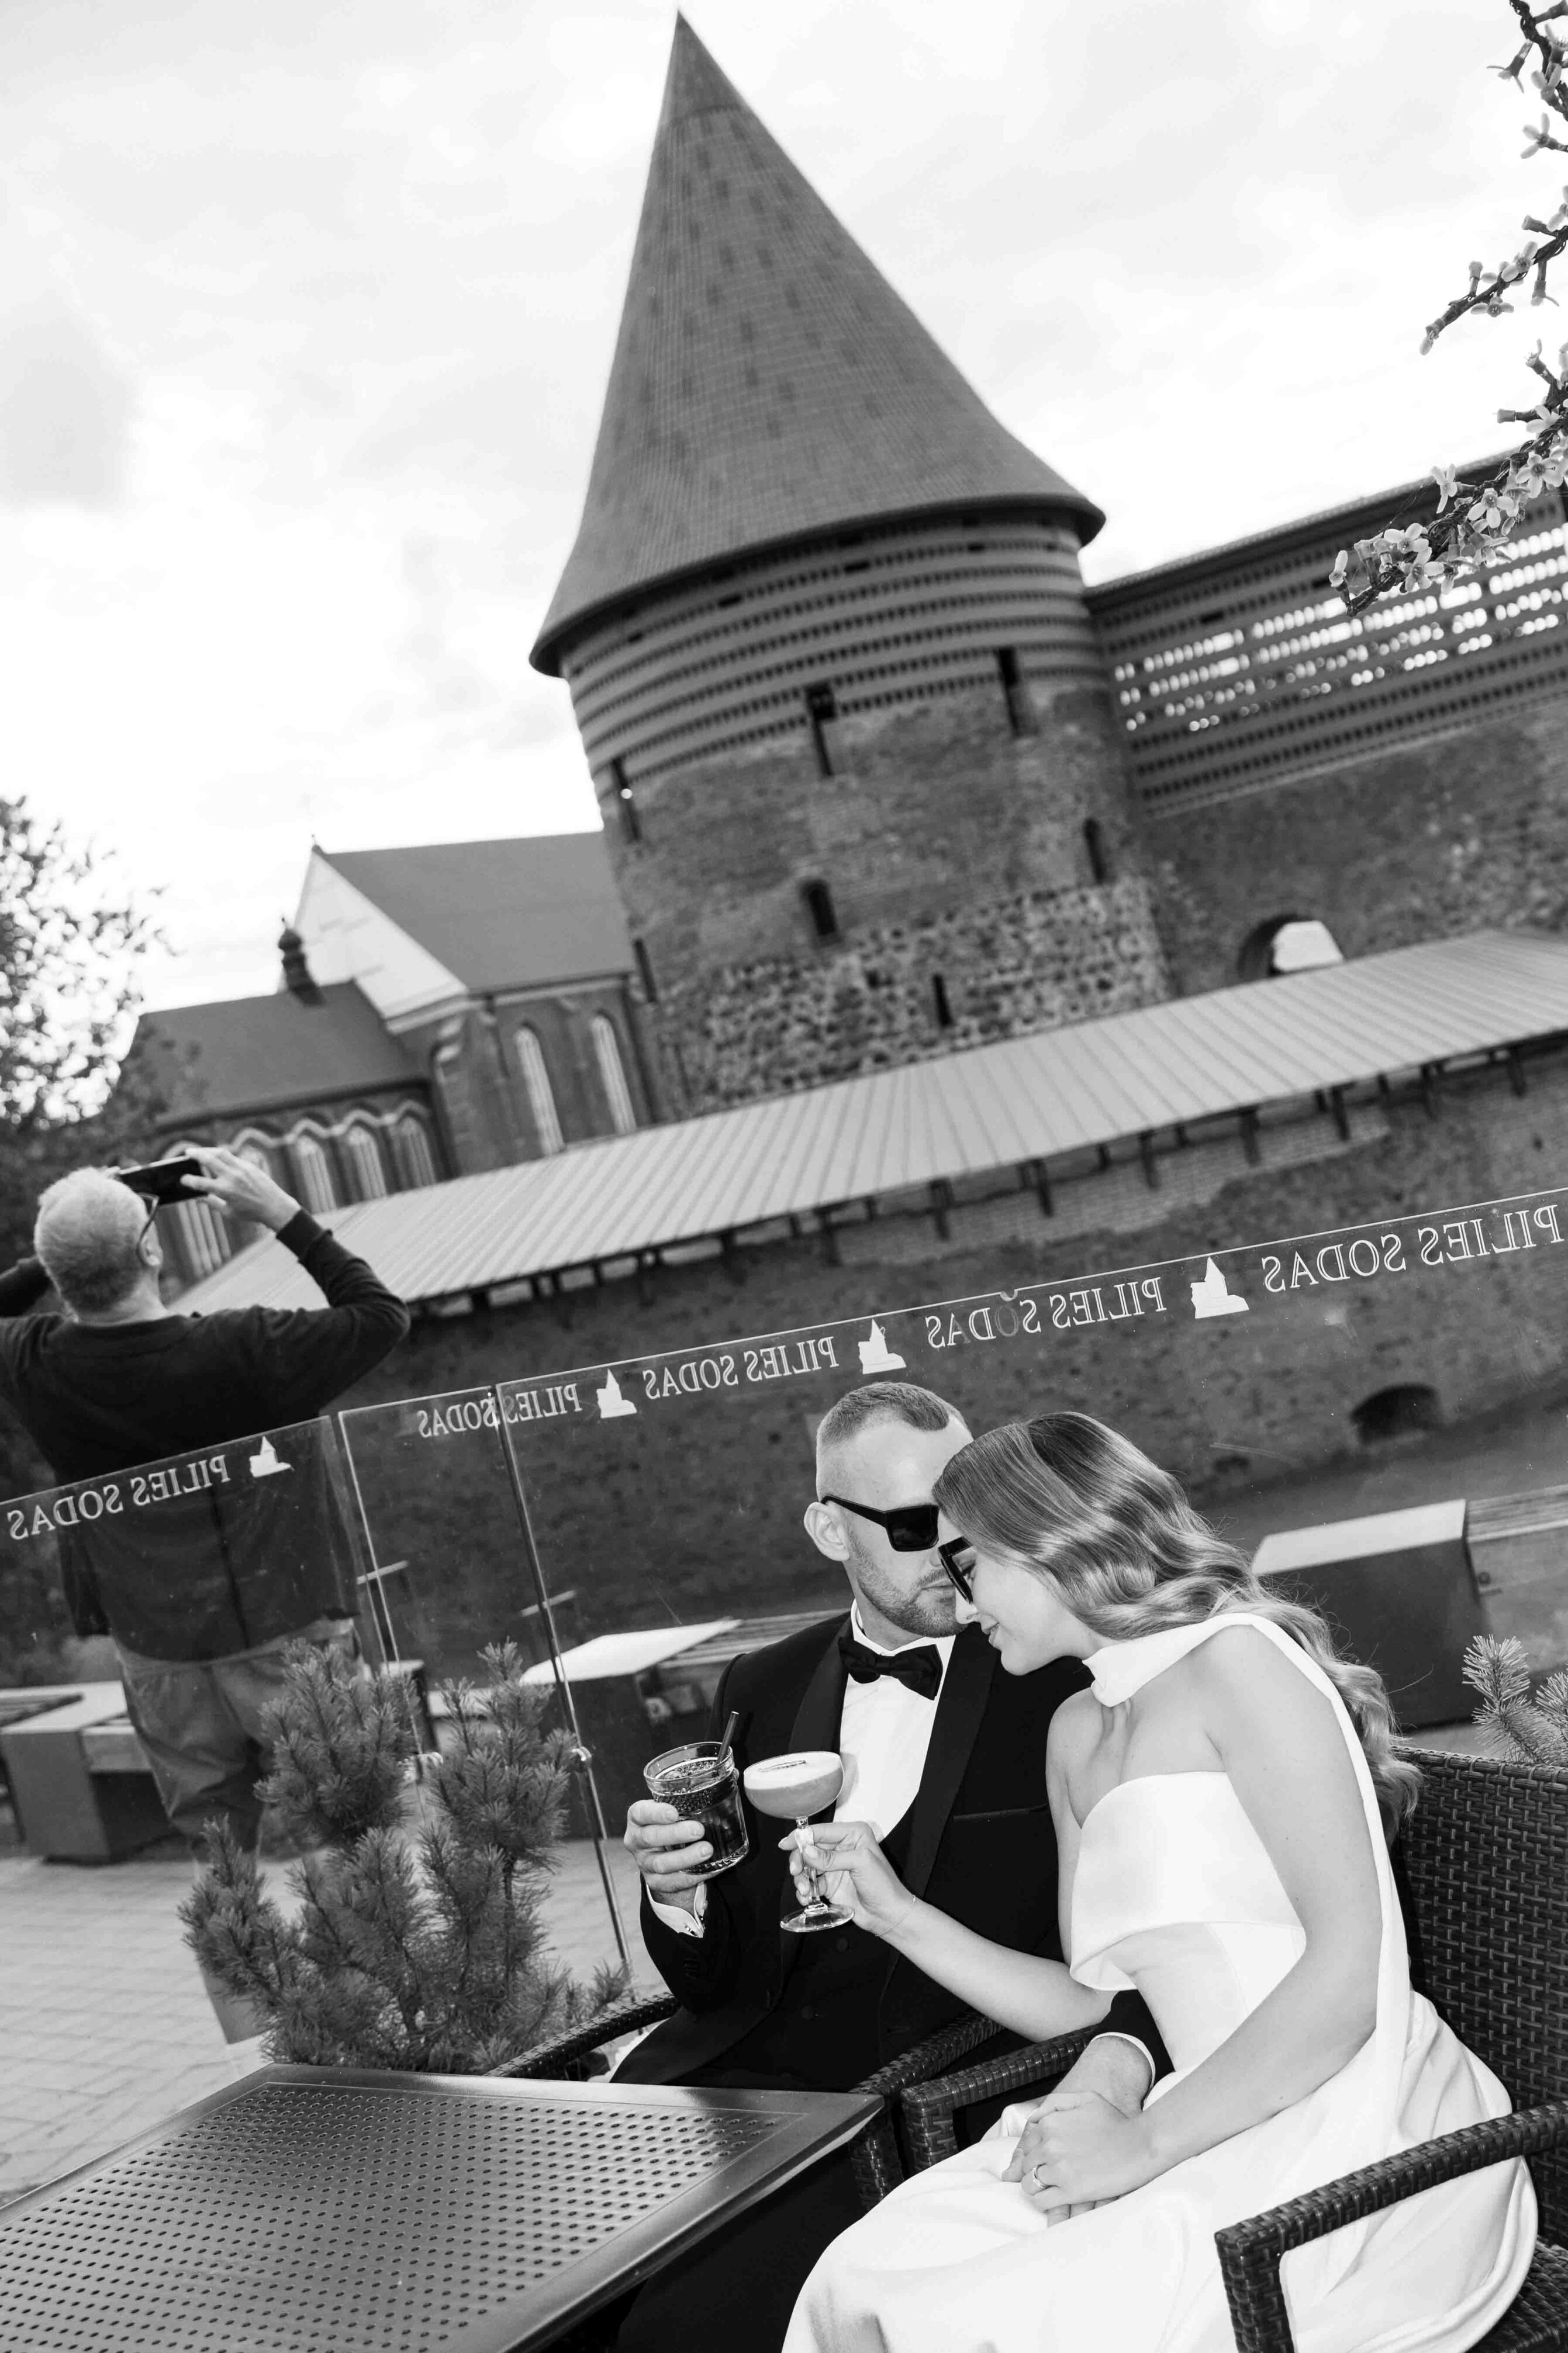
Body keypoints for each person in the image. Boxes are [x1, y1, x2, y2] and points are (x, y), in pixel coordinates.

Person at [782, 1413, 1536, 2353]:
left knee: (1007, 2321)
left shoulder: (1242, 1664)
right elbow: (1096, 2007)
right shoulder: (1069, 1735)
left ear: (1045, 1539)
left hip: (1346, 2110)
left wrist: (1142, 2144)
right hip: (1173, 2105)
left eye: (968, 1565)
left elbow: (1353, 1973)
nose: (958, 1599)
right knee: (862, 2276)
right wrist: (897, 1917)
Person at [613, 1381, 1169, 2351]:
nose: (955, 1561)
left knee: (679, 2328)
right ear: (830, 1530)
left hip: (920, 2097)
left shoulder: (1059, 1673)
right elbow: (710, 1980)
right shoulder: (761, 1685)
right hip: (726, 2088)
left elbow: (1132, 1969)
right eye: (916, 1527)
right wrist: (678, 1896)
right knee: (530, 2283)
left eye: (968, 1524)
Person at [0, 1147, 409, 2035]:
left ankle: (258, 2037)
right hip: (286, 1631)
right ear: (153, 1254)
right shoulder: (244, 1347)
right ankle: (371, 2008)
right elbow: (379, 1317)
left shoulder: (33, 1362)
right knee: (335, 1824)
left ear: (62, 1280)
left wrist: (74, 1245)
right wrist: (279, 1213)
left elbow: (52, 1283)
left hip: (158, 1652)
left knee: (218, 1846)